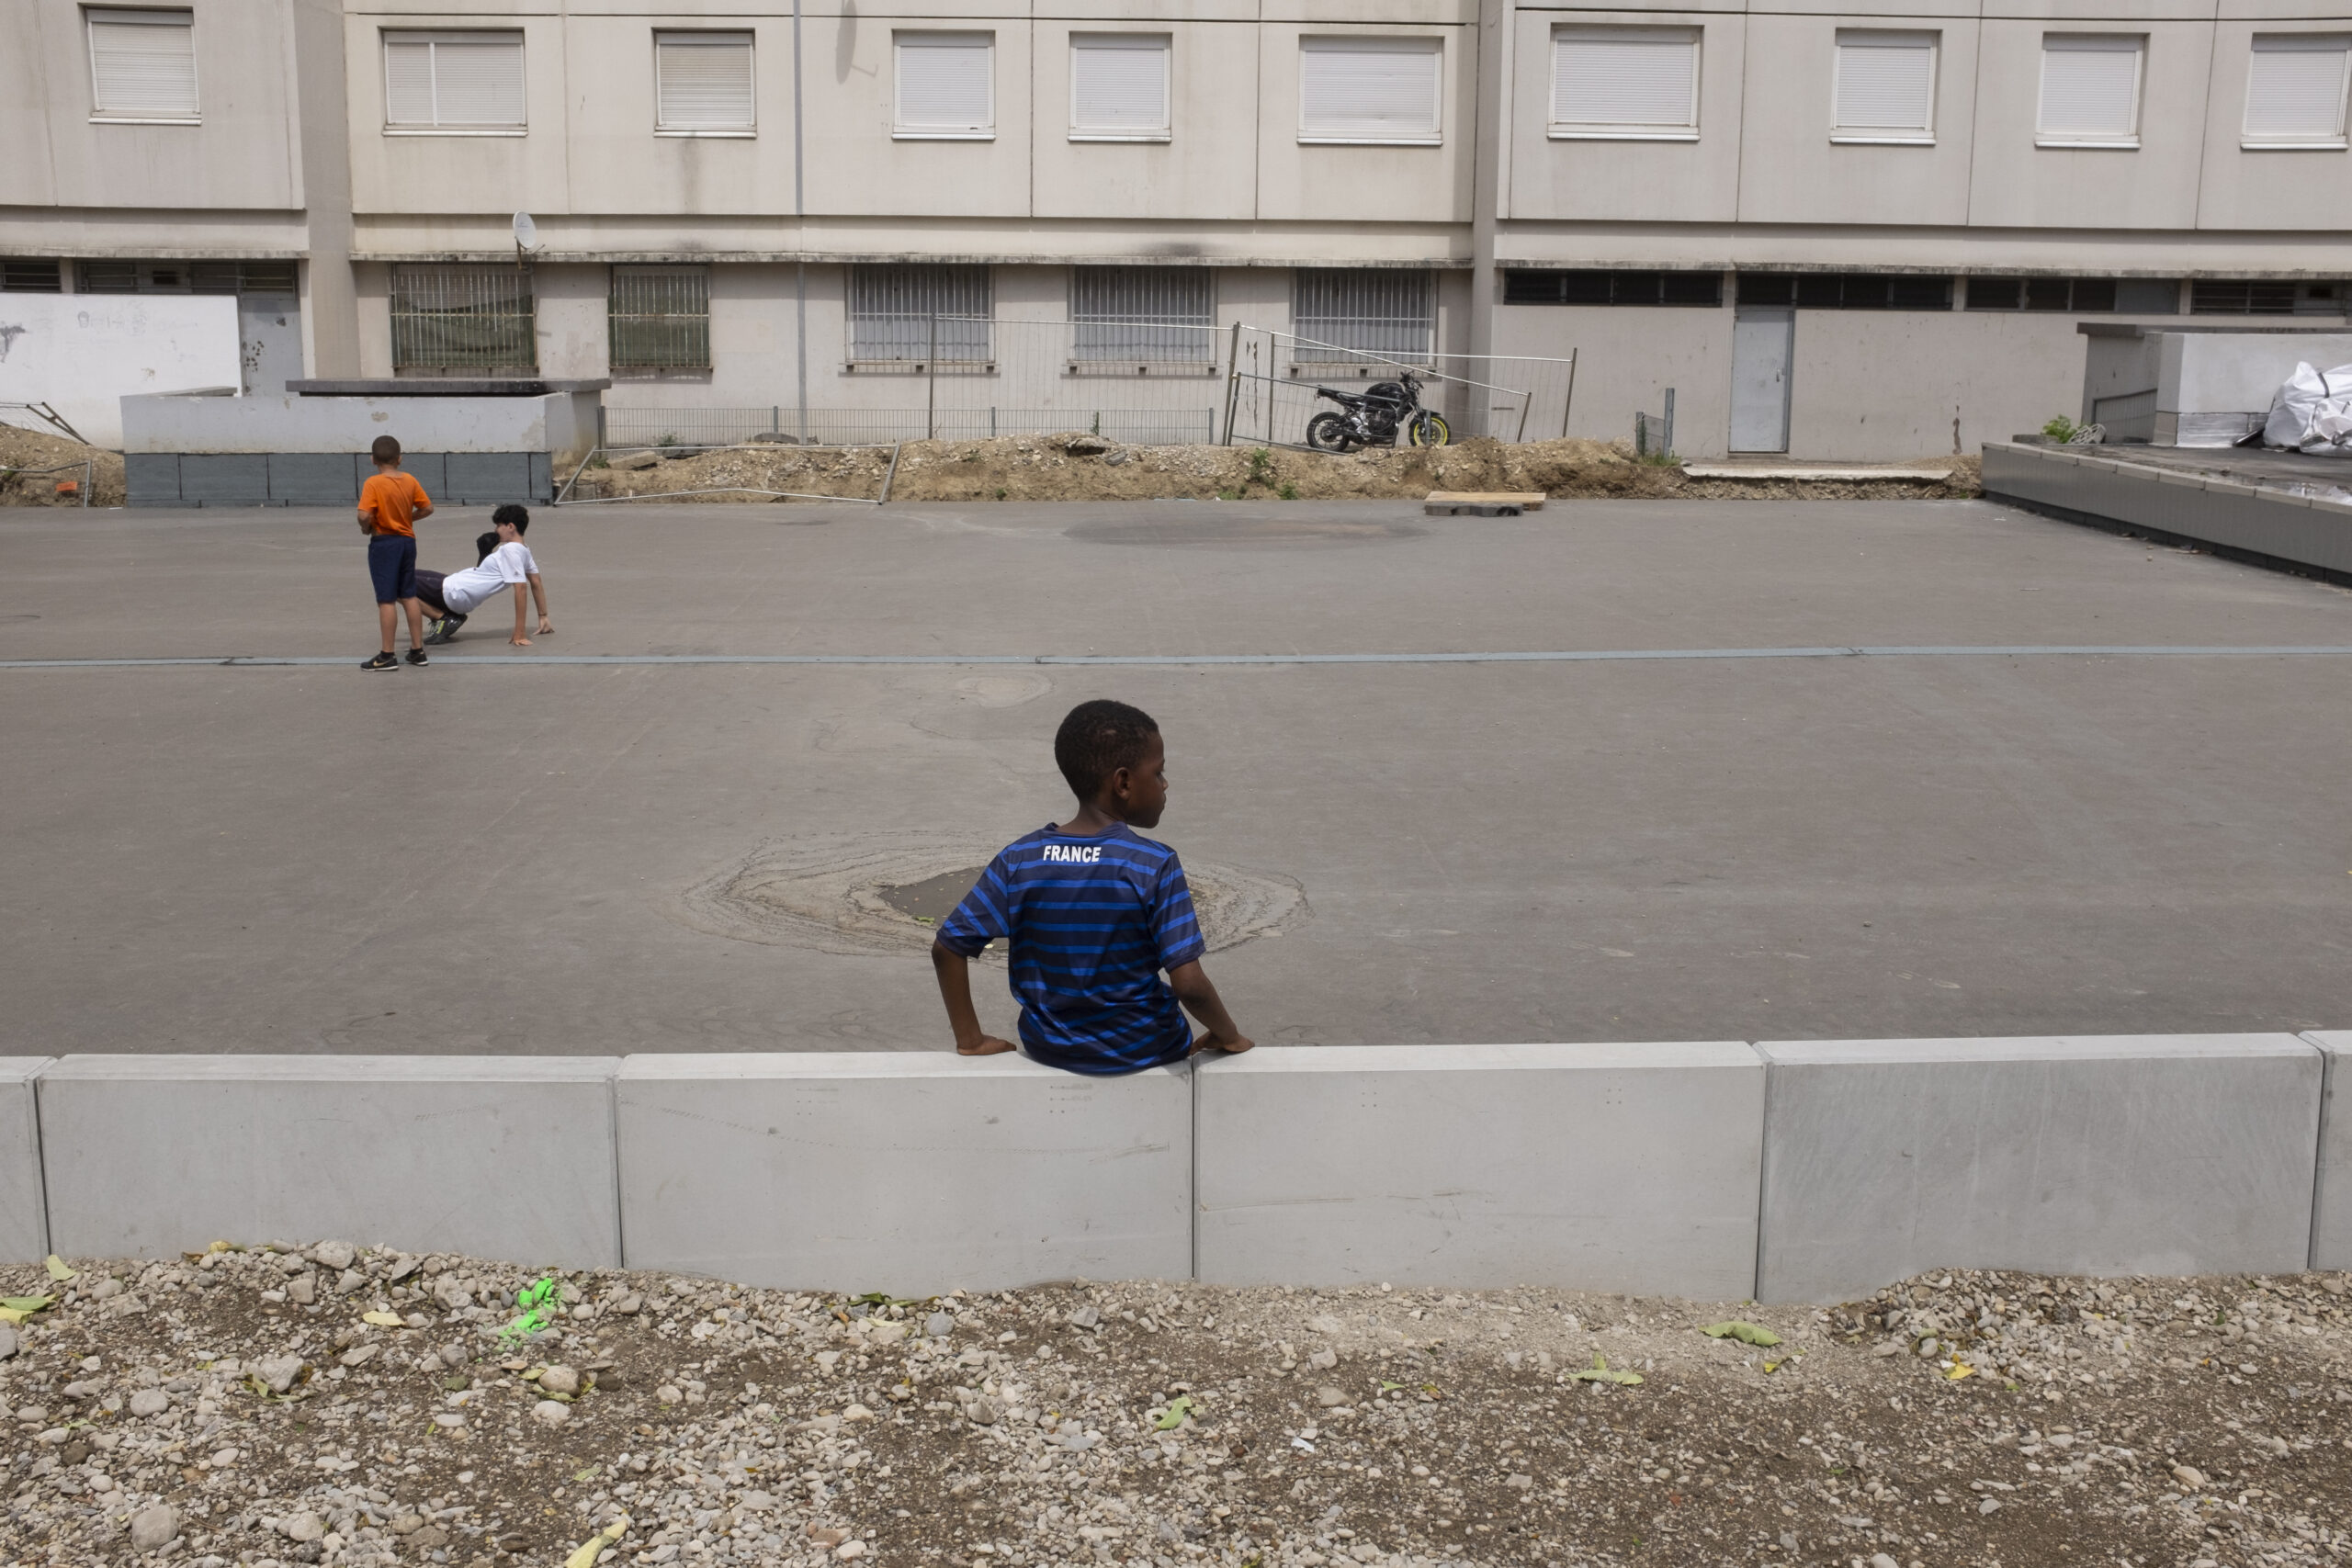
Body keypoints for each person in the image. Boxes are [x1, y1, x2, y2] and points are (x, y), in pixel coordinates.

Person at [931, 698, 1253, 1075]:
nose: (1165, 784)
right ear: (1124, 782)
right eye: (1159, 772)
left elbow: (947, 947)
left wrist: (970, 1039)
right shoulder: (1152, 864)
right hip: (1147, 1049)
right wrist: (1228, 1035)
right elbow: (1190, 985)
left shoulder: (1021, 859)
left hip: (1048, 1049)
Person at [416, 504, 553, 648]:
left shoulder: (510, 550)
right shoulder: (524, 550)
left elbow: (521, 588)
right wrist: (543, 616)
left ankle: (442, 618)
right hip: (455, 584)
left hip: (455, 592)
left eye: (499, 525)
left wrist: (520, 633)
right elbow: (536, 582)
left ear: (511, 527)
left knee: (395, 583)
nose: (496, 530)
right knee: (404, 574)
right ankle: (446, 616)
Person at [356, 434, 433, 671]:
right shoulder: (409, 480)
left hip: (384, 544)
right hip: (407, 542)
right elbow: (427, 508)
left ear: (372, 460)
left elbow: (364, 515)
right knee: (409, 595)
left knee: (386, 599)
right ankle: (417, 650)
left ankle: (387, 654)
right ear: (399, 459)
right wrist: (407, 518)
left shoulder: (373, 483)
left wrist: (366, 527)